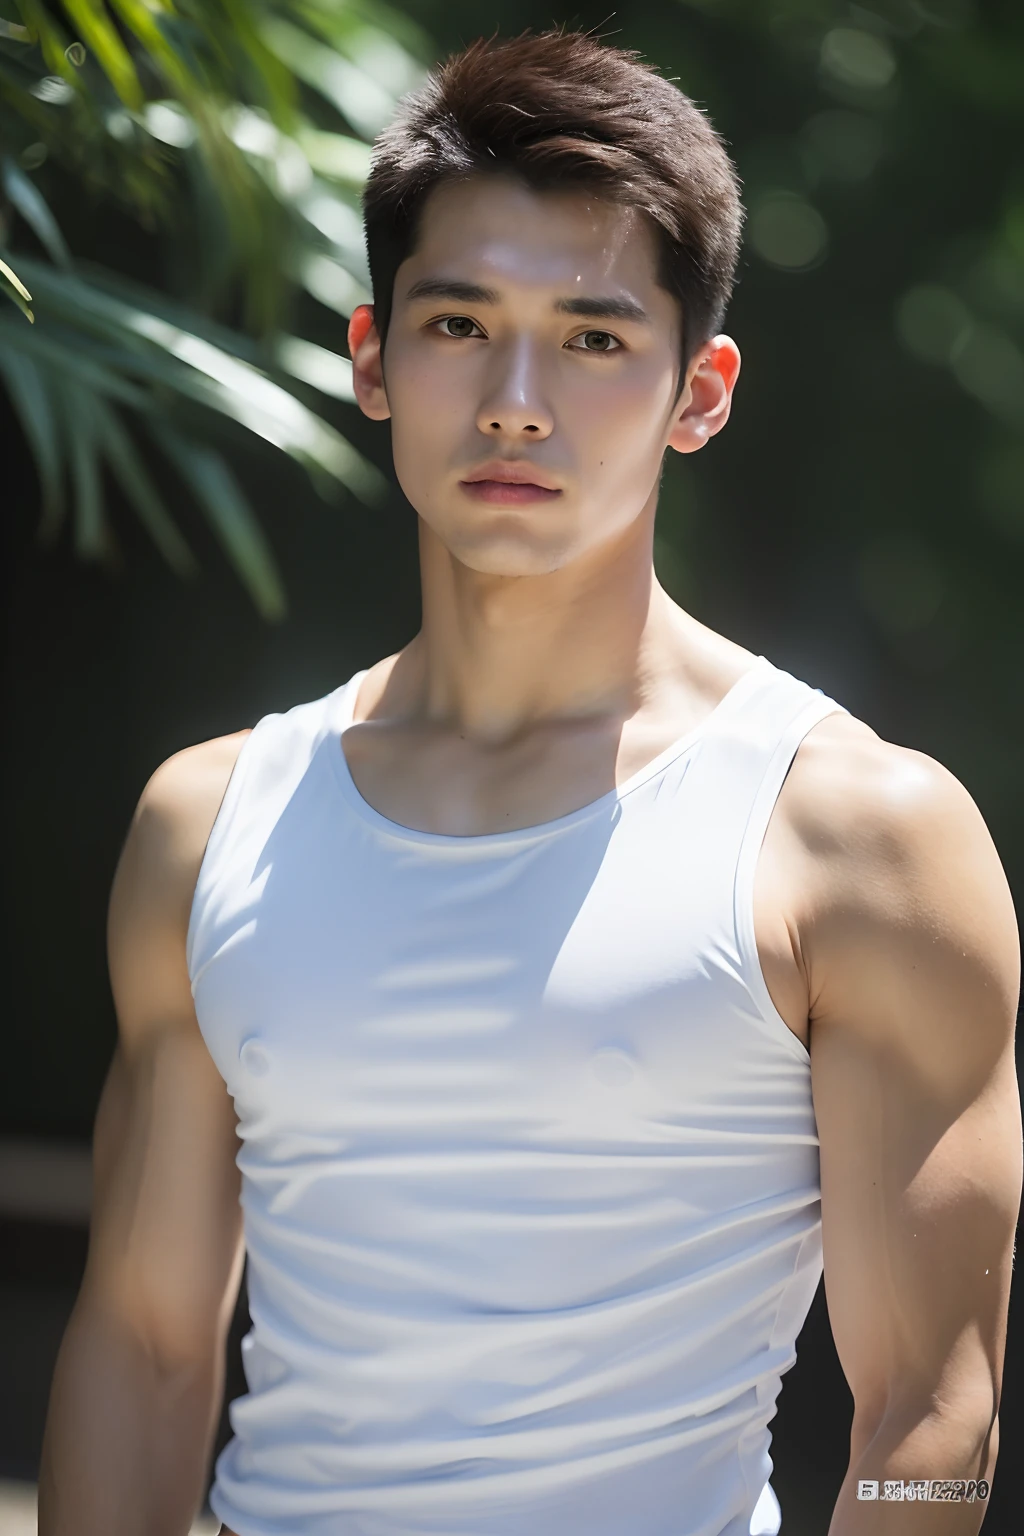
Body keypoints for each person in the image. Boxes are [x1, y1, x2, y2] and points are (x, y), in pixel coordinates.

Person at [38, 28, 1020, 1536]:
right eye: (457, 325)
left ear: (701, 391)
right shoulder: (210, 821)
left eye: (594, 336)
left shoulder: (856, 839)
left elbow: (930, 1417)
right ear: (372, 357)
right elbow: (148, 1344)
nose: (514, 398)